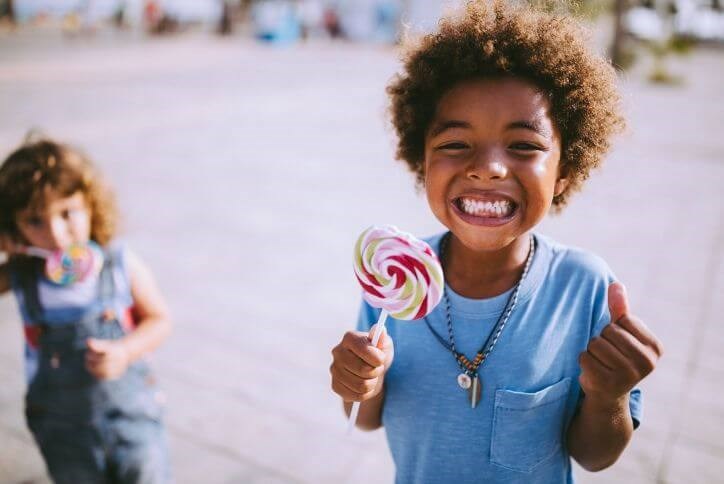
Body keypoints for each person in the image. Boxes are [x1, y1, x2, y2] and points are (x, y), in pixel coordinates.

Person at [329, 1, 664, 482]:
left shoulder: (584, 287)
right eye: (454, 144)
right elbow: (364, 418)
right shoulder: (393, 281)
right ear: (422, 161)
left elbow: (595, 456)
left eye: (524, 145)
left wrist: (609, 397)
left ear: (565, 171)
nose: (487, 166)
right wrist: (357, 381)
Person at [0, 137, 172, 483]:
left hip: (131, 416)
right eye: (35, 221)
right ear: (14, 227)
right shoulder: (21, 272)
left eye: (67, 213)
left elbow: (159, 319)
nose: (57, 233)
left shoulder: (119, 262)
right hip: (62, 428)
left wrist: (124, 351)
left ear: (91, 205)